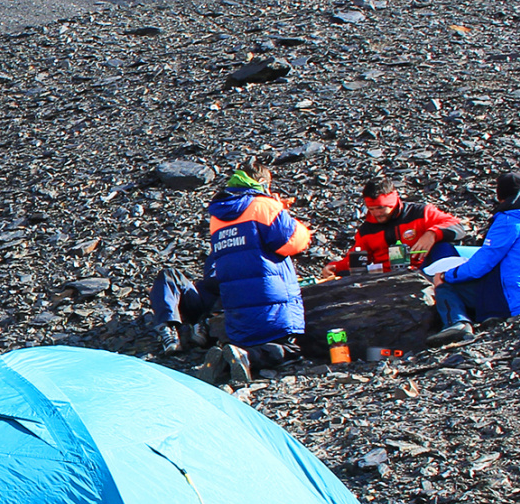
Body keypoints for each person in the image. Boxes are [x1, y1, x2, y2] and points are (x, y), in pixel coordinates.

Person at [150, 161, 318, 385]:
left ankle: (226, 358)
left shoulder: (218, 215)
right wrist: (283, 212)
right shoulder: (265, 205)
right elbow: (291, 243)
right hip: (269, 297)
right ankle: (244, 358)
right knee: (291, 348)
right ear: (262, 184)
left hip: (235, 303)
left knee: (249, 339)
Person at [427, 172, 520, 345]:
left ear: (502, 197)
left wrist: (447, 275)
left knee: (447, 286)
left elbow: (480, 266)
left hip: (519, 298)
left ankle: (457, 324)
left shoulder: (510, 220)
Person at [323, 179, 464, 277]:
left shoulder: (420, 213)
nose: (377, 213)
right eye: (371, 209)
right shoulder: (367, 230)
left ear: (393, 202)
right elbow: (357, 257)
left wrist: (432, 234)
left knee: (443, 247)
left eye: (381, 208)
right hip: (388, 277)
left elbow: (459, 227)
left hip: (425, 269)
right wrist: (336, 267)